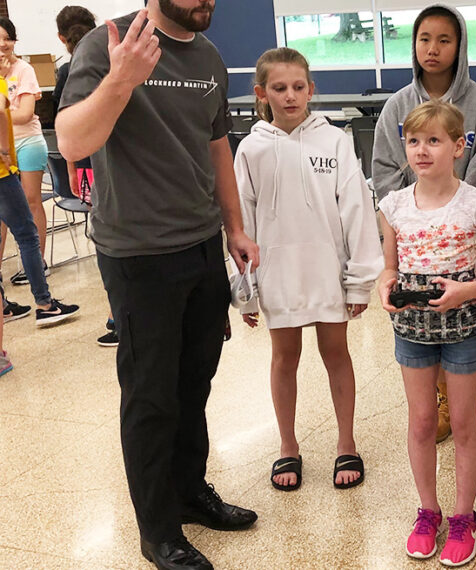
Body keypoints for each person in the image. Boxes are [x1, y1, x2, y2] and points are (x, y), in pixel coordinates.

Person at [56, 3, 260, 569]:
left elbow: (216, 145)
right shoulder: (106, 44)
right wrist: (121, 80)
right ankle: (157, 529)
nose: (207, 2)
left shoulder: (210, 56)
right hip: (138, 252)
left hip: (199, 244)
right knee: (150, 395)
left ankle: (190, 492)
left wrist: (235, 227)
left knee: (195, 380)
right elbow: (73, 141)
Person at [372, 4, 476, 453]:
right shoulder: (397, 105)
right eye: (424, 39)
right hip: (416, 246)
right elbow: (382, 174)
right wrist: (417, 214)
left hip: (465, 245)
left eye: (444, 40)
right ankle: (443, 401)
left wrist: (449, 212)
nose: (432, 49)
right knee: (426, 324)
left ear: (460, 47)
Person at [235, 48, 383, 492]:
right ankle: (287, 446)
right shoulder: (250, 148)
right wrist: (247, 289)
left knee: (336, 354)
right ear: (262, 93)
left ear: (311, 90)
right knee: (284, 359)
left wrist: (359, 280)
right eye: (279, 88)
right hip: (278, 274)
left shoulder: (334, 140)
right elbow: (242, 222)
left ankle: (346, 441)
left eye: (299, 87)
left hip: (328, 272)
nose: (290, 95)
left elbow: (356, 210)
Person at [378, 100, 476, 566]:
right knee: (421, 422)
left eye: (433, 140)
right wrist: (383, 284)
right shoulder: (392, 205)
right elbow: (389, 266)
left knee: (466, 423)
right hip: (412, 329)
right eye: (414, 141)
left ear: (458, 145)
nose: (422, 150)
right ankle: (427, 511)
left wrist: (465, 290)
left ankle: (462, 516)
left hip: (465, 327)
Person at [53, 6, 117, 347]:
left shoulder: (69, 71)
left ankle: (117, 314)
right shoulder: (117, 60)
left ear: (62, 38)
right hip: (114, 163)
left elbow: (65, 132)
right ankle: (118, 313)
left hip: (91, 166)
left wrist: (72, 171)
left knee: (103, 238)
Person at [0, 75, 78, 327]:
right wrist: (3, 151)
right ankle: (45, 304)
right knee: (27, 234)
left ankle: (2, 305)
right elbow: (4, 110)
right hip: (2, 173)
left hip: (19, 156)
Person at [0, 17, 50, 286]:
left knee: (32, 202)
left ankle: (37, 263)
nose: (2, 44)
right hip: (1, 148)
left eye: (7, 38)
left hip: (27, 142)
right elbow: (11, 113)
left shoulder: (25, 69)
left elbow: (26, 114)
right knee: (3, 211)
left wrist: (4, 112)